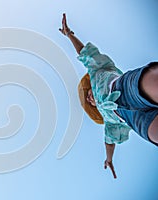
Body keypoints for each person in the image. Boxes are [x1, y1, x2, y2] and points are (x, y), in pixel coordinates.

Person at [59, 13, 158, 179]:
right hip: (130, 118)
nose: (90, 99)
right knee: (154, 132)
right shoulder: (110, 123)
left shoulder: (98, 69)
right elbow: (109, 142)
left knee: (153, 83)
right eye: (90, 103)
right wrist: (109, 159)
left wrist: (69, 35)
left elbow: (84, 53)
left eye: (89, 94)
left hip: (124, 87)